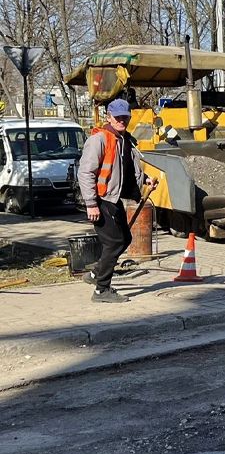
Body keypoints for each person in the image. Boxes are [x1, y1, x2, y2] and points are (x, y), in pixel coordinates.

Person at [77, 98, 156, 303]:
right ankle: (102, 291)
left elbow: (127, 171)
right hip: (101, 199)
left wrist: (146, 180)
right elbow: (85, 172)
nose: (122, 120)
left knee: (125, 239)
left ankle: (96, 274)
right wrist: (91, 204)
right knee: (114, 242)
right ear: (109, 117)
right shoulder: (99, 139)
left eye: (125, 117)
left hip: (113, 199)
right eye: (118, 117)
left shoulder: (124, 140)